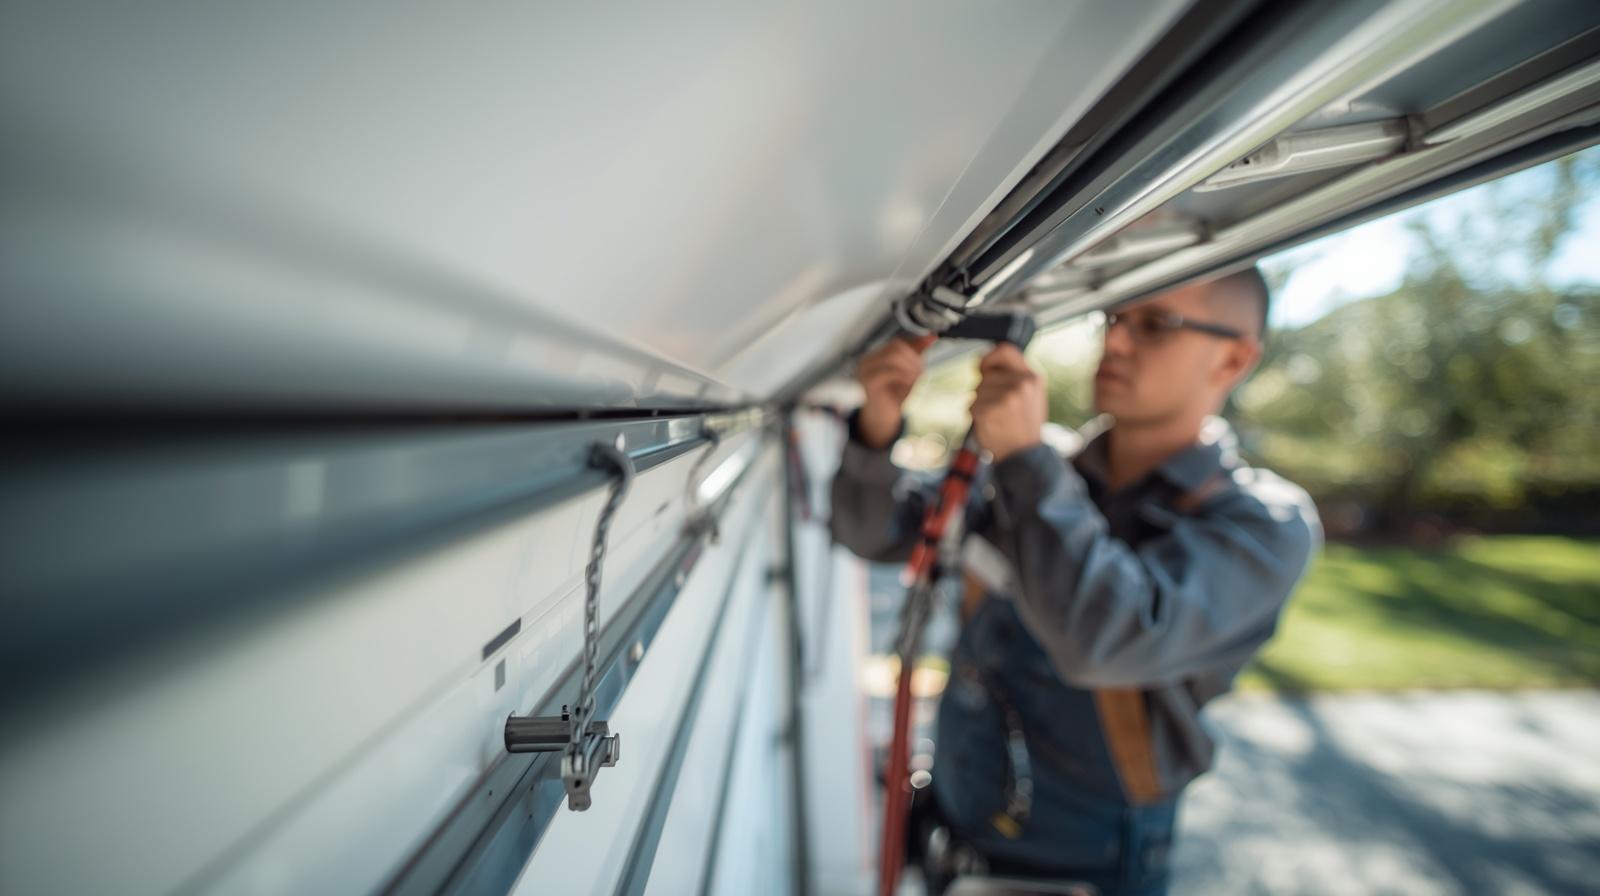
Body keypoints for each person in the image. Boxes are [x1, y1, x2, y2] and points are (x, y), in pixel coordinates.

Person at [830, 267, 1321, 896]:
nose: (1114, 342)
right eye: (1116, 318)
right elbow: (872, 531)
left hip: (1075, 868)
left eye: (1155, 325)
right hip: (949, 831)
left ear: (1233, 358)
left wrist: (1027, 464)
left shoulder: (1262, 523)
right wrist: (877, 426)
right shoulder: (1029, 470)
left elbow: (1108, 640)